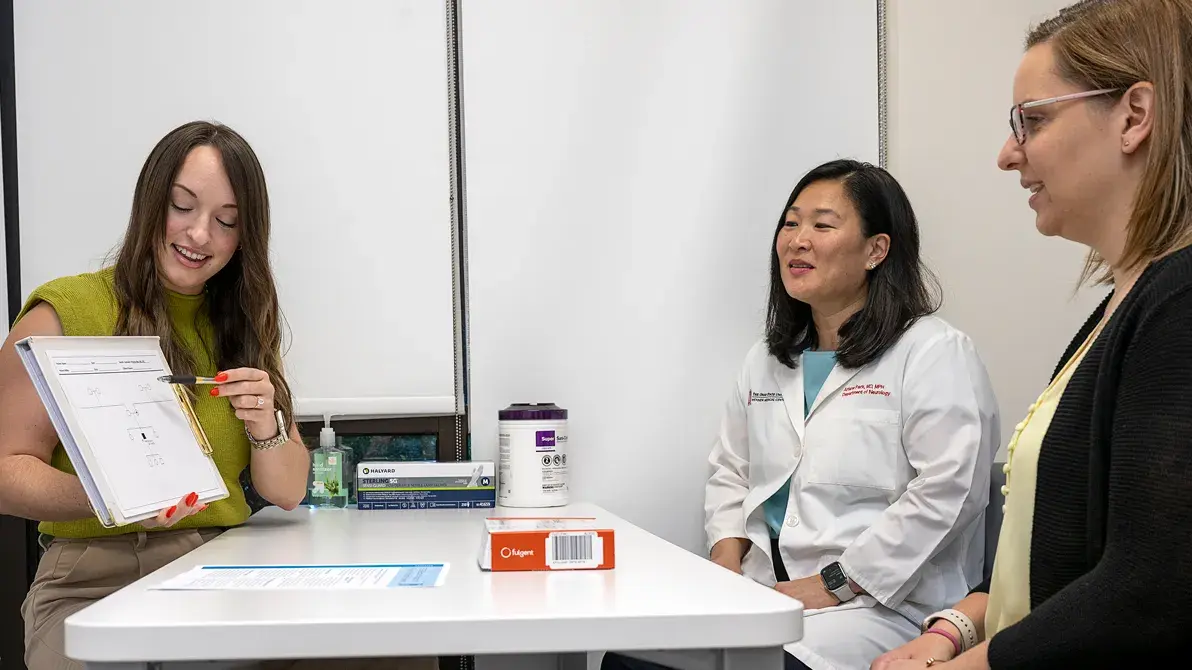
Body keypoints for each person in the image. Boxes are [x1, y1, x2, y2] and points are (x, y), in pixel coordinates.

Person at [0, 121, 435, 670]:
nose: (200, 235)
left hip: (222, 570)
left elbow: (288, 490)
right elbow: (5, 470)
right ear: (149, 200)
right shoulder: (64, 310)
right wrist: (113, 498)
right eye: (182, 206)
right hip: (94, 578)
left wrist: (265, 424)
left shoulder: (240, 322)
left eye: (226, 222)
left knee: (391, 649)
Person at [872, 1, 1192, 668]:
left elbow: (1153, 586)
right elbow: (1052, 546)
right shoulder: (1120, 309)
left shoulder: (1179, 304)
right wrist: (953, 630)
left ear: (1135, 116)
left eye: (1033, 120)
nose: (1007, 154)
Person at [602, 159, 1000, 670]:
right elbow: (732, 470)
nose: (797, 240)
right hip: (767, 592)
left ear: (877, 250)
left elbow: (950, 491)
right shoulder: (768, 359)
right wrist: (725, 559)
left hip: (885, 608)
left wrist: (834, 583)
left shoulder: (932, 352)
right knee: (632, 660)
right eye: (790, 223)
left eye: (822, 224)